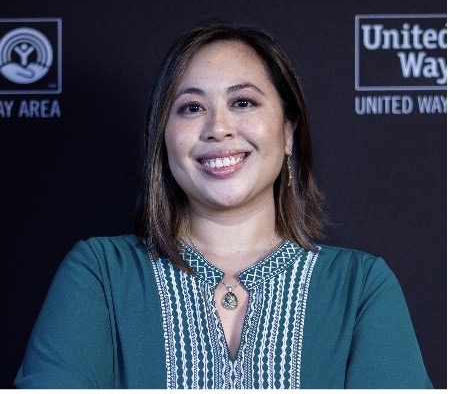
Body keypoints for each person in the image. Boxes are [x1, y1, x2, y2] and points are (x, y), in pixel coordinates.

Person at [15, 21, 432, 389]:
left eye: (243, 102)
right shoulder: (100, 274)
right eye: (192, 108)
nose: (218, 128)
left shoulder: (360, 286)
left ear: (288, 133)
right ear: (163, 138)